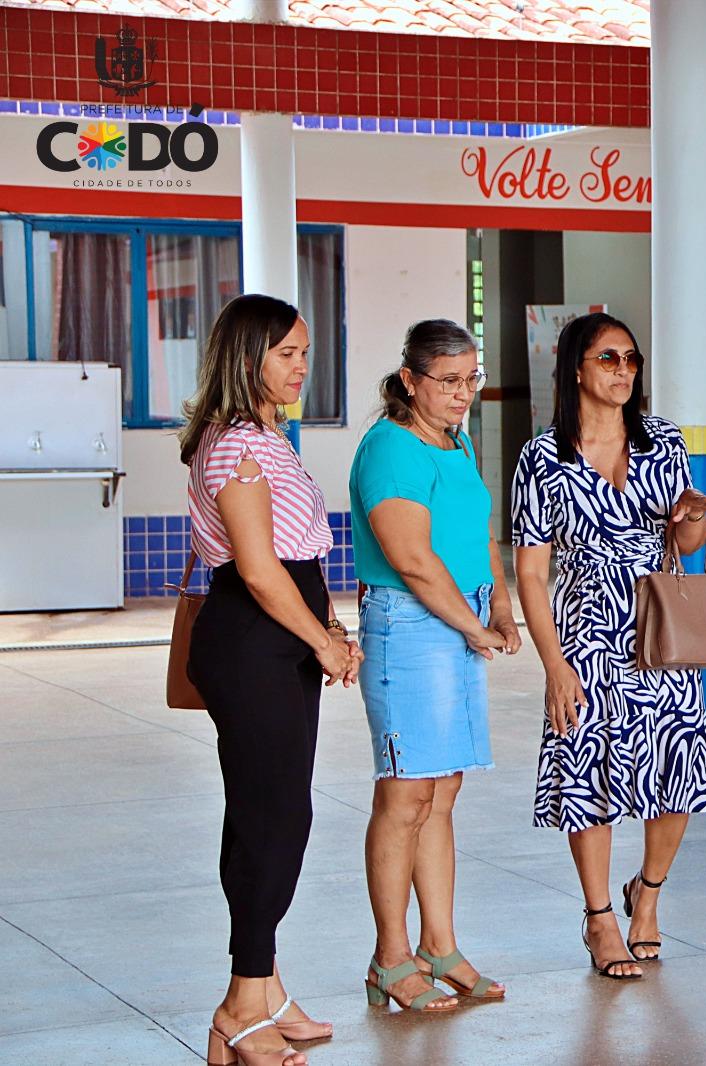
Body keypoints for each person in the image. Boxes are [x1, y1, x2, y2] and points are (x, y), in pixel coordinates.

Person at [511, 312, 706, 980]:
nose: (624, 371)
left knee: (677, 772)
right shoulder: (542, 458)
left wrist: (689, 518)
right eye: (609, 359)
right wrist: (552, 665)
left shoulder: (663, 443)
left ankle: (648, 896)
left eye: (631, 360)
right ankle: (600, 917)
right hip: (585, 629)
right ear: (576, 366)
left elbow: (686, 547)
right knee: (590, 774)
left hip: (659, 626)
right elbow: (531, 571)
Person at [180, 294, 359, 1066]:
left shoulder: (264, 437)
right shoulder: (237, 448)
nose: (300, 366)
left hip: (275, 640)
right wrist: (321, 638)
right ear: (245, 356)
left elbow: (295, 558)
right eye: (286, 353)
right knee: (272, 820)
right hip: (257, 642)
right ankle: (238, 1005)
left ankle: (267, 985)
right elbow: (257, 569)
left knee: (268, 814)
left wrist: (329, 626)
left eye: (305, 352)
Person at [350, 320, 521, 1012]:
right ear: (411, 380)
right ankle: (391, 956)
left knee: (441, 792)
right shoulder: (389, 449)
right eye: (448, 381)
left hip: (461, 617)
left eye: (471, 379)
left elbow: (480, 532)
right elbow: (413, 560)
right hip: (411, 628)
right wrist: (473, 626)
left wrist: (501, 608)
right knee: (404, 795)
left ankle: (439, 946)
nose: (463, 393)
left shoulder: (456, 441)